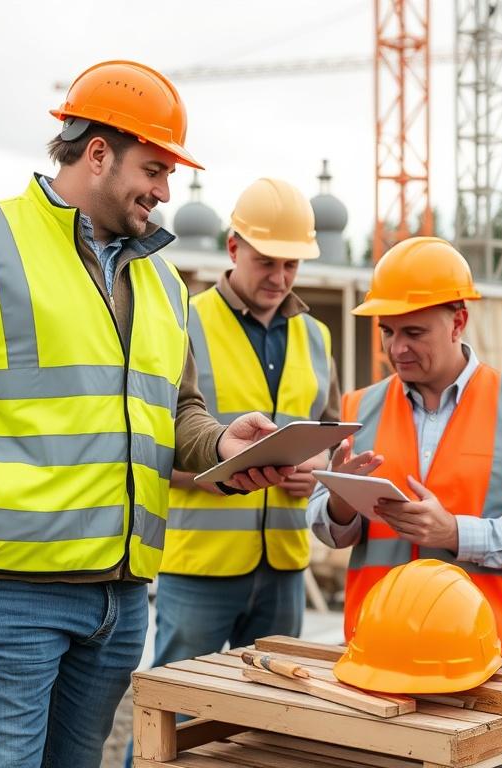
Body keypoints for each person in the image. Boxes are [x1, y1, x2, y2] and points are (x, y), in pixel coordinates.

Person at [0, 60, 293, 768]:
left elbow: (179, 411)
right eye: (155, 170)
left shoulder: (161, 280)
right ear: (97, 151)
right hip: (7, 589)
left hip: (120, 597)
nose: (165, 193)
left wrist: (225, 439)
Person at [307, 236, 502, 768]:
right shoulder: (360, 408)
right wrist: (341, 502)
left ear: (458, 322)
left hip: (489, 654)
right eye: (388, 332)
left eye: (414, 332)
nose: (397, 348)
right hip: (381, 655)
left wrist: (455, 533)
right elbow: (324, 524)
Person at [123, 177, 341, 766]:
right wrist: (217, 471)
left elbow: (332, 435)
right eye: (268, 261)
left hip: (284, 565)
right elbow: (149, 439)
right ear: (233, 247)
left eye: (292, 265)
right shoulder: (182, 322)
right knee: (171, 710)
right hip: (200, 564)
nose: (280, 277)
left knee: (271, 722)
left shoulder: (316, 337)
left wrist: (317, 466)